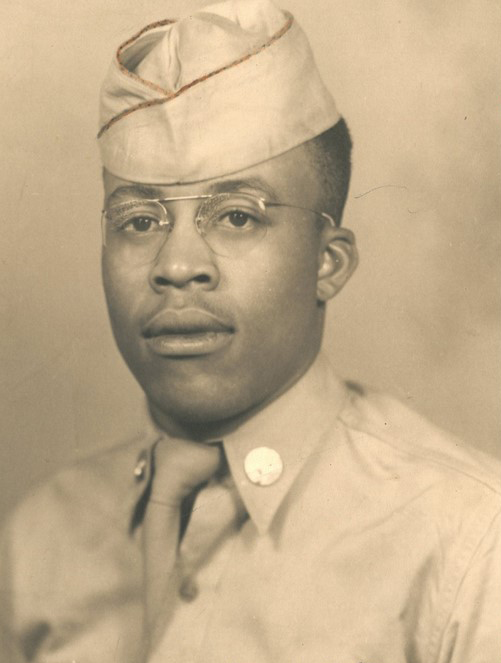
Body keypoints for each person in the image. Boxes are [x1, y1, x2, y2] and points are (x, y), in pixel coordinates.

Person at [1, 1, 500, 661]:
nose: (176, 266)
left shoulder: (470, 542)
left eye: (237, 216)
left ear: (327, 262)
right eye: (140, 222)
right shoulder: (40, 539)